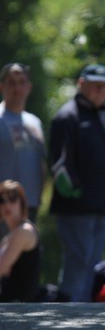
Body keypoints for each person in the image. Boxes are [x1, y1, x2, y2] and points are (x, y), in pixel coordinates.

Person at [49, 64, 105, 302]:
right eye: (97, 86)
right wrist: (76, 191)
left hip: (102, 207)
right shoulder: (67, 116)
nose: (101, 91)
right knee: (77, 263)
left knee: (90, 264)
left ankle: (81, 318)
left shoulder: (101, 116)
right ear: (82, 84)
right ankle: (68, 317)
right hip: (77, 210)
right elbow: (59, 164)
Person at [0, 63, 47, 238]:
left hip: (29, 206)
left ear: (29, 87)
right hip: (3, 207)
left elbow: (41, 163)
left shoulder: (35, 123)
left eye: (21, 82)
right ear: (2, 87)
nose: (17, 87)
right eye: (11, 82)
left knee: (24, 263)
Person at [0, 180, 41, 302]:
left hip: (19, 306)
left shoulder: (23, 231)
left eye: (12, 199)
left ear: (21, 203)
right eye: (2, 200)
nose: (7, 205)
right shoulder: (11, 235)